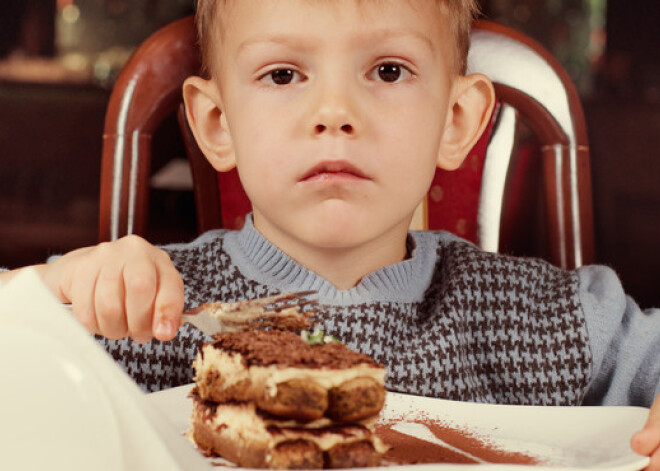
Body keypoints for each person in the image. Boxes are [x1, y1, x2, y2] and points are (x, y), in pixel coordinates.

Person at [2, 0, 660, 466]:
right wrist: (50, 289)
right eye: (284, 74)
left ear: (458, 119)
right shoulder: (139, 312)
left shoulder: (555, 320)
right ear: (217, 123)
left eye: (388, 70)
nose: (335, 113)